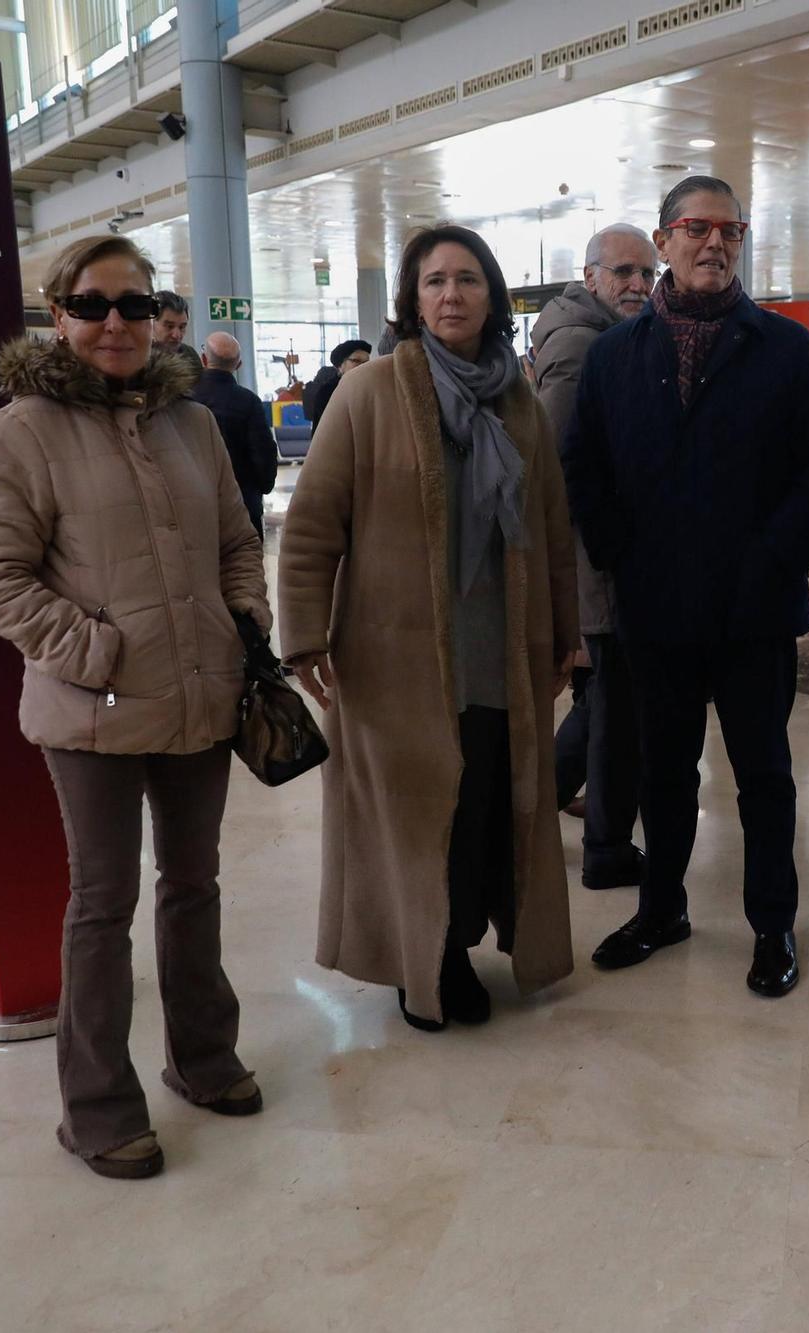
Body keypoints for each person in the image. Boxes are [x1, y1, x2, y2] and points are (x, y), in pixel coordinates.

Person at [0, 236, 270, 1180]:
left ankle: (204, 1060)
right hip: (91, 714)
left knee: (194, 885)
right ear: (59, 315)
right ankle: (97, 1108)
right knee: (104, 903)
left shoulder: (193, 425)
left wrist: (240, 623)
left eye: (135, 305)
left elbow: (236, 542)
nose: (116, 324)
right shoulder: (23, 429)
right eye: (93, 306)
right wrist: (97, 650)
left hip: (199, 699)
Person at [279, 224, 577, 1032]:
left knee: (485, 800)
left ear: (493, 296)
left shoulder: (517, 399)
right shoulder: (371, 391)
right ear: (412, 299)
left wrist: (566, 631)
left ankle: (465, 935)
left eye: (469, 280)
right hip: (393, 653)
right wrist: (303, 633)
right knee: (416, 812)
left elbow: (551, 524)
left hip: (498, 647)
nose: (452, 294)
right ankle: (430, 962)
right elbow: (312, 526)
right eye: (436, 281)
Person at [563, 174, 809, 998]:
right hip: (656, 605)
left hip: (754, 609)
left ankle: (773, 924)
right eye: (696, 228)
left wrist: (773, 555)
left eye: (730, 230)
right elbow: (582, 463)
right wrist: (620, 549)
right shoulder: (617, 354)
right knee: (663, 769)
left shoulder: (784, 348)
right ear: (663, 241)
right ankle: (663, 908)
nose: (714, 243)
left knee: (763, 774)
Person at [536, 222, 657, 891]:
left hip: (599, 562)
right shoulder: (584, 346)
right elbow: (559, 465)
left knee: (603, 702)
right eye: (623, 273)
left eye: (646, 273)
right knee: (618, 711)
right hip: (599, 565)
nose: (638, 285)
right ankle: (607, 849)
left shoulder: (598, 334)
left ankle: (541, 796)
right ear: (590, 278)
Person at [188, 331, 280, 541]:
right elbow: (263, 451)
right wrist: (264, 485)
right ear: (238, 365)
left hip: (197, 499)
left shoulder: (186, 397)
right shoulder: (249, 401)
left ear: (203, 360)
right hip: (243, 501)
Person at [304, 339, 372, 437]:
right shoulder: (328, 392)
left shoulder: (371, 390)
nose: (363, 366)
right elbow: (321, 433)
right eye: (356, 361)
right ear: (340, 365)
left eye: (366, 362)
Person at [151, 290, 202, 373]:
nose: (176, 335)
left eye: (182, 327)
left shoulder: (190, 356)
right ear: (151, 324)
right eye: (169, 326)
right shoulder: (138, 359)